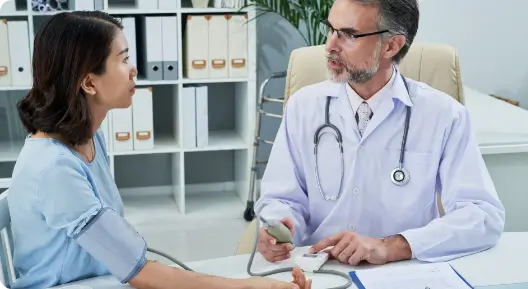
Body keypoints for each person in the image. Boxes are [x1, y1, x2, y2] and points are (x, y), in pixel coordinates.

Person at [7, 11, 310, 289]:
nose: (134, 69)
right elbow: (138, 271)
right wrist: (249, 287)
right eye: (123, 59)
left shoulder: (88, 139)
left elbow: (125, 260)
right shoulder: (54, 168)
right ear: (89, 82)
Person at [256, 0, 506, 266]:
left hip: (404, 271)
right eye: (331, 29)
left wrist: (393, 246)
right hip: (320, 269)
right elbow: (282, 198)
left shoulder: (443, 115)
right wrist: (280, 226)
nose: (329, 45)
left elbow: (483, 216)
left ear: (391, 45)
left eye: (349, 35)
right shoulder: (303, 107)